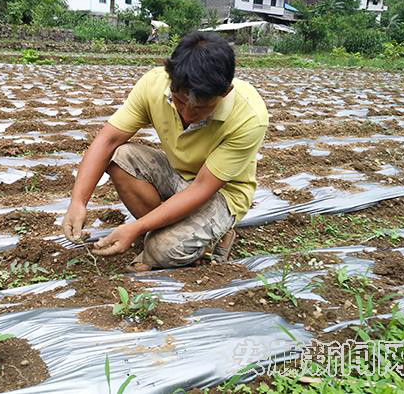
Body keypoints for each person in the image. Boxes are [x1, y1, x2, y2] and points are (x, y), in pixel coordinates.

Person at [62, 32, 268, 272]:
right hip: (177, 173)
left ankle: (211, 236)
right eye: (179, 102)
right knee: (120, 157)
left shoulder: (250, 117)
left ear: (225, 92)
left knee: (161, 250)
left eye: (201, 108)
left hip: (221, 192)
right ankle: (175, 233)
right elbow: (108, 140)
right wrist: (78, 201)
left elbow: (202, 187)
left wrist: (136, 228)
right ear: (170, 81)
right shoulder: (153, 85)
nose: (188, 115)